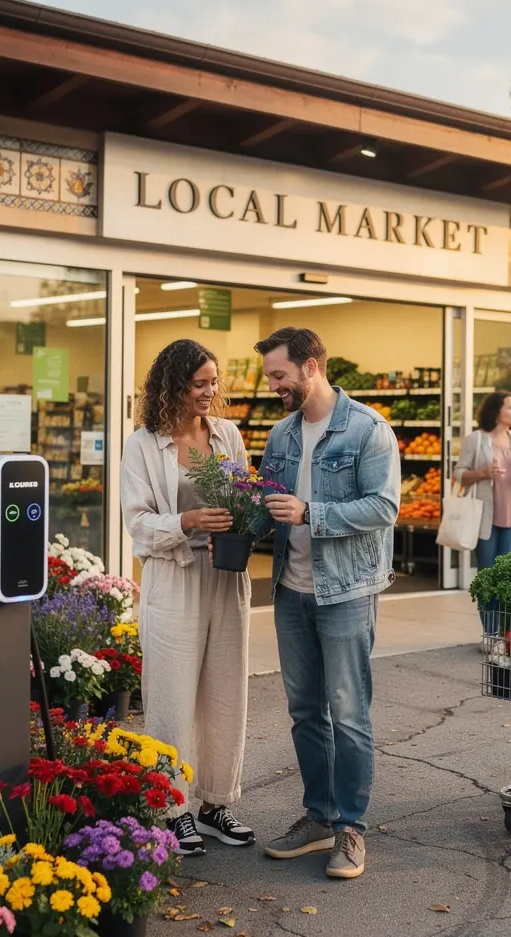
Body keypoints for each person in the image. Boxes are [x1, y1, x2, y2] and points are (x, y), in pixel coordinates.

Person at [256, 326, 400, 881]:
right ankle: (317, 817)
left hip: (345, 592)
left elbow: (384, 507)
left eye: (279, 375)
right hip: (291, 591)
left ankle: (351, 828)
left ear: (311, 366)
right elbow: (266, 503)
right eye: (270, 376)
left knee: (349, 713)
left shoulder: (367, 430)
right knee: (304, 712)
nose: (273, 385)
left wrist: (310, 514)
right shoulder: (281, 435)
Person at [120, 338, 255, 857]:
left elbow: (243, 496)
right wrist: (188, 521)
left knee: (225, 691)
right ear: (174, 385)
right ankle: (170, 807)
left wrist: (246, 521)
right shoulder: (143, 444)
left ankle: (216, 802)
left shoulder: (227, 435)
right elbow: (137, 525)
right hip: (173, 576)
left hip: (224, 575)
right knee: (171, 695)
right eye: (200, 383)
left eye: (214, 382)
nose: (210, 392)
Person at [454, 390, 511, 629]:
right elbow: (459, 473)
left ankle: (505, 631)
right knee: (488, 578)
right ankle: (490, 633)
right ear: (496, 411)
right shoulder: (476, 439)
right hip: (486, 520)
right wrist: (482, 473)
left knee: (508, 578)